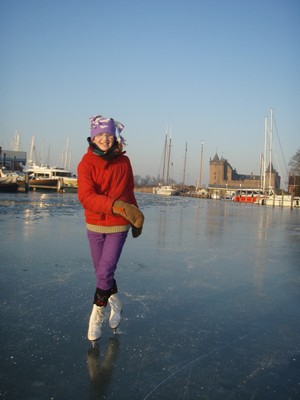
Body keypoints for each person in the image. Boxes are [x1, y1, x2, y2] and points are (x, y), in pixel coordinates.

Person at [77, 115, 144, 342]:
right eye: (100, 135)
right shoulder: (85, 164)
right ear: (93, 137)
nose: (105, 139)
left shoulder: (124, 162)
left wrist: (135, 215)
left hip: (117, 225)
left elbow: (129, 192)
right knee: (101, 273)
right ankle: (115, 301)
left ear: (114, 137)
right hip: (95, 223)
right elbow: (86, 197)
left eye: (108, 135)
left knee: (105, 271)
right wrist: (116, 205)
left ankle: (97, 313)